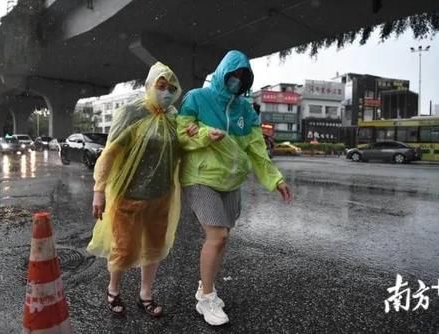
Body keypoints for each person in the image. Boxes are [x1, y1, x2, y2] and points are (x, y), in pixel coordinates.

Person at [177, 50, 292, 326]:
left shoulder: (246, 109)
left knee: (223, 238)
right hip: (200, 178)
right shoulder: (197, 98)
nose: (237, 81)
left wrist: (275, 179)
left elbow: (256, 149)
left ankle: (205, 284)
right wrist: (206, 134)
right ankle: (206, 298)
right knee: (217, 237)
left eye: (243, 77)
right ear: (222, 73)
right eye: (234, 75)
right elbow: (181, 132)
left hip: (231, 182)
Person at [87, 62, 197, 317]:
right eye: (161, 86)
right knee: (123, 248)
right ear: (149, 86)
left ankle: (145, 294)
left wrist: (191, 135)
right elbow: (109, 153)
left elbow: (180, 151)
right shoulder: (131, 113)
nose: (167, 92)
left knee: (154, 248)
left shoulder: (173, 118)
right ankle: (113, 290)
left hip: (162, 195)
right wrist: (99, 190)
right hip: (130, 195)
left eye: (171, 88)